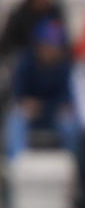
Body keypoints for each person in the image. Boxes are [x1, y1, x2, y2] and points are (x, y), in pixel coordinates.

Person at [3, 19, 77, 157]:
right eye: (48, 46)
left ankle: (73, 164)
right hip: (30, 112)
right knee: (15, 119)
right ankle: (16, 164)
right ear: (38, 45)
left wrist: (47, 106)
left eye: (56, 46)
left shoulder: (64, 66)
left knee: (70, 122)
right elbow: (19, 92)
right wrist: (25, 102)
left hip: (53, 112)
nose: (52, 51)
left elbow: (66, 96)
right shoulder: (25, 62)